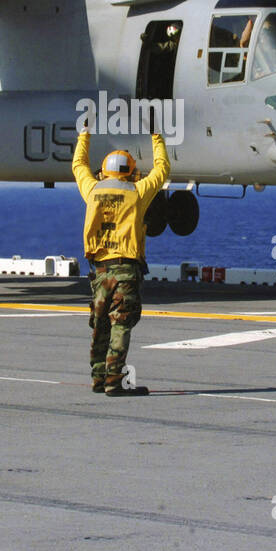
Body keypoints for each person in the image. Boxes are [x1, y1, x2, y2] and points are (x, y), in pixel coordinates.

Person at [72, 121, 170, 396]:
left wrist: (85, 134)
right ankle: (115, 381)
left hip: (100, 271)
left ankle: (98, 378)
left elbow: (78, 165)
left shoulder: (92, 189)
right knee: (121, 324)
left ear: (104, 172)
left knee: (99, 324)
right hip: (126, 269)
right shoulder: (137, 192)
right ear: (131, 172)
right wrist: (156, 135)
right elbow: (163, 170)